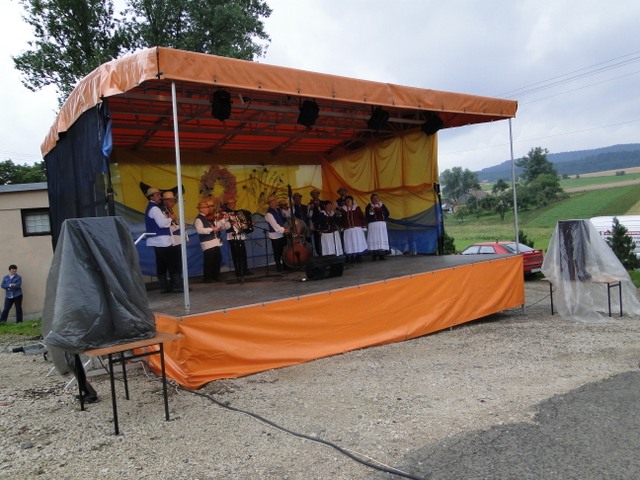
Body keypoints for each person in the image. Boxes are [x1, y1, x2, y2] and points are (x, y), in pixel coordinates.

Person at [145, 187, 183, 293]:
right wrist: (171, 218)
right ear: (151, 197)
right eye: (157, 195)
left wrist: (176, 226)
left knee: (161, 264)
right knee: (172, 263)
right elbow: (163, 224)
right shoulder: (155, 209)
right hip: (162, 240)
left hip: (158, 240)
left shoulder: (151, 208)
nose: (159, 197)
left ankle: (164, 286)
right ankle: (176, 286)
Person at [194, 200, 229, 282]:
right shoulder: (199, 219)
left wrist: (223, 220)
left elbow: (217, 225)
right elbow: (199, 230)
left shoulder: (209, 218)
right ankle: (207, 278)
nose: (208, 209)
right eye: (205, 208)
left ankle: (215, 276)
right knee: (209, 261)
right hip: (207, 243)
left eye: (207, 207)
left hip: (215, 241)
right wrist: (211, 229)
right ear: (201, 209)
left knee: (217, 259)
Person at [224, 198, 253, 280]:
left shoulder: (238, 213)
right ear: (227, 204)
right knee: (236, 255)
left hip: (240, 236)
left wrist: (248, 225)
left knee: (243, 253)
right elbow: (225, 226)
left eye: (233, 203)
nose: (232, 205)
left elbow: (243, 223)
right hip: (232, 236)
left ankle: (245, 270)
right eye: (230, 203)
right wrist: (230, 223)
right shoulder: (225, 214)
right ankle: (238, 271)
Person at [264, 195, 290, 271]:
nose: (276, 202)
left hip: (282, 234)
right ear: (270, 203)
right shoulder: (269, 214)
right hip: (275, 236)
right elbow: (275, 225)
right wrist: (284, 230)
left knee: (284, 251)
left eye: (276, 200)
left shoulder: (279, 210)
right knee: (277, 252)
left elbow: (285, 218)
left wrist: (286, 209)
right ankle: (279, 267)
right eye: (274, 200)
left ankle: (286, 265)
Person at [340, 196, 368, 263]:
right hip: (348, 229)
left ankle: (359, 256)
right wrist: (342, 226)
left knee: (358, 242)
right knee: (350, 243)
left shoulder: (357, 208)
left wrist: (364, 225)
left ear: (352, 201)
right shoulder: (343, 209)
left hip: (357, 229)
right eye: (347, 200)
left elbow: (361, 217)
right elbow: (341, 219)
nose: (348, 201)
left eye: (349, 200)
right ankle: (351, 257)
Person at [365, 193, 391, 260]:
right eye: (374, 198)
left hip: (381, 225)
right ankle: (374, 255)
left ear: (378, 199)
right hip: (373, 225)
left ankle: (381, 255)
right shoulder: (369, 206)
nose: (375, 199)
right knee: (374, 239)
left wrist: (383, 213)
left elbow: (387, 213)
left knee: (381, 239)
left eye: (376, 198)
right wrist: (371, 212)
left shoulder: (382, 205)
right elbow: (367, 216)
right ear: (371, 200)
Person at [308, 188, 324, 256]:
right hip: (315, 224)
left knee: (324, 238)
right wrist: (311, 209)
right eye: (313, 194)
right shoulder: (309, 204)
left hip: (323, 224)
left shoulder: (322, 203)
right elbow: (309, 216)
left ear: (318, 195)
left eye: (316, 194)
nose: (315, 195)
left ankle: (324, 252)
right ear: (311, 196)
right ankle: (318, 253)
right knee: (316, 239)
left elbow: (324, 213)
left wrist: (318, 207)